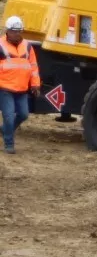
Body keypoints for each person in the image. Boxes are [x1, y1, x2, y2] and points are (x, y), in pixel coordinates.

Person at [0, 15, 41, 154]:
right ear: (8, 30)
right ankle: (9, 144)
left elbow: (33, 67)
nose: (17, 34)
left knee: (23, 114)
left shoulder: (27, 46)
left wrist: (35, 84)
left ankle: (5, 129)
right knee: (9, 117)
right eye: (14, 31)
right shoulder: (0, 45)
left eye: (19, 31)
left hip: (22, 89)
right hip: (5, 88)